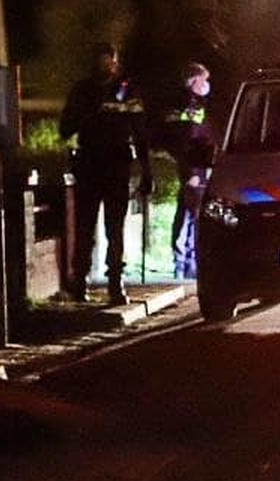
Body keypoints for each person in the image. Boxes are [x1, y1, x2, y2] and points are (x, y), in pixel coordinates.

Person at [59, 41, 151, 305]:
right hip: (91, 165)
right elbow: (65, 128)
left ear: (115, 62)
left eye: (109, 60)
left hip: (115, 166)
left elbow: (140, 133)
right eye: (102, 60)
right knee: (86, 227)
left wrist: (147, 171)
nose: (106, 65)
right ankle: (81, 282)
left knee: (113, 229)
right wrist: (87, 113)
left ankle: (113, 284)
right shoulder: (83, 91)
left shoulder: (127, 90)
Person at [158, 61, 215, 280]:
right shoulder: (186, 105)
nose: (206, 84)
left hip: (200, 167)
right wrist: (191, 172)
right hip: (192, 168)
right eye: (203, 80)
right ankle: (182, 263)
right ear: (193, 81)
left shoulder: (198, 104)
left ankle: (189, 263)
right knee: (188, 215)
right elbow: (184, 140)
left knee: (193, 215)